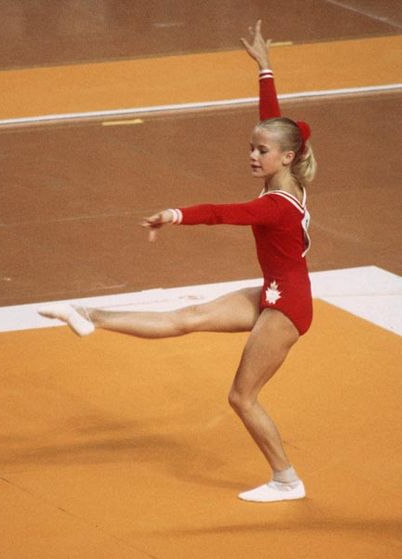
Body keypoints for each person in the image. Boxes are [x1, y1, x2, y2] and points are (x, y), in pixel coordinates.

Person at [38, 20, 316, 503]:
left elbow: (223, 214)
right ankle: (88, 316)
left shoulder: (275, 205)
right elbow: (276, 121)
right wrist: (265, 68)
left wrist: (175, 214)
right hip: (275, 291)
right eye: (251, 146)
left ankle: (286, 480)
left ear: (287, 157)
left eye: (261, 150)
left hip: (287, 306)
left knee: (241, 397)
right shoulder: (284, 179)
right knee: (185, 318)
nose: (252, 154)